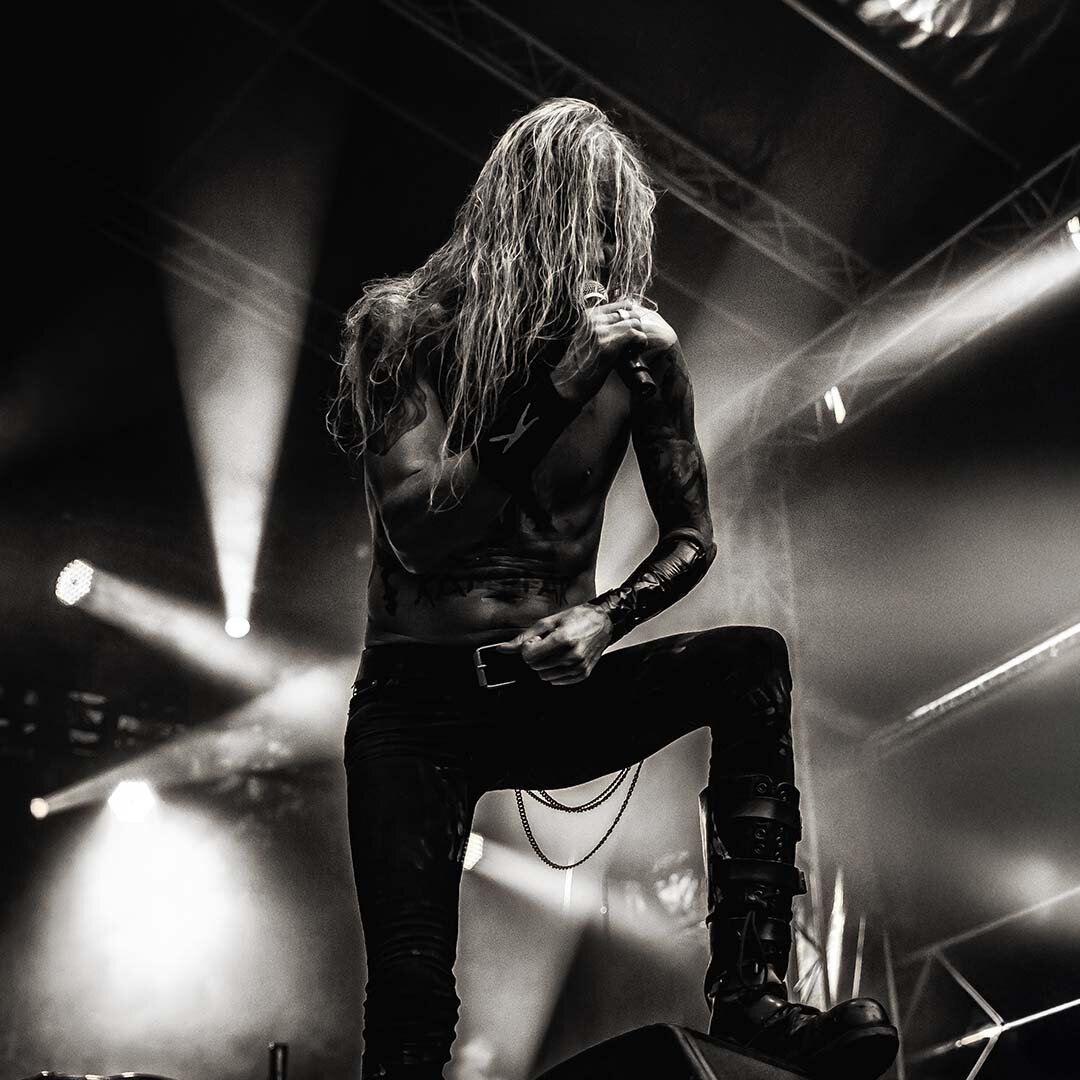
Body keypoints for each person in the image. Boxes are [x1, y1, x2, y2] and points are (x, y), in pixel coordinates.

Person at [330, 97, 898, 1080]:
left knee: (750, 664)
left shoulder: (641, 364)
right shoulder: (405, 326)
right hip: (416, 706)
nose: (602, 253)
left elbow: (693, 538)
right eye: (586, 223)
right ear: (527, 215)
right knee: (411, 1010)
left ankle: (753, 997)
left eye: (617, 230)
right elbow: (420, 533)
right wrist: (556, 386)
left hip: (548, 691)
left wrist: (605, 617)